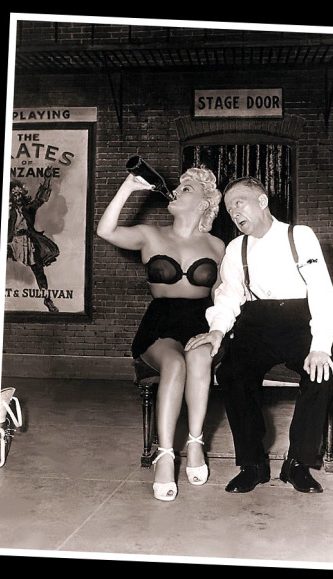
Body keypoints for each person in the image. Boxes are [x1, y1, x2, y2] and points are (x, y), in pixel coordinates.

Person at [185, 176, 333, 494]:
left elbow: (321, 289)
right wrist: (216, 331)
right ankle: (253, 464)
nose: (234, 212)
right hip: (256, 325)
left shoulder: (300, 236)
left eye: (239, 203)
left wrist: (321, 346)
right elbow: (228, 296)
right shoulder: (235, 248)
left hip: (300, 323)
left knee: (321, 375)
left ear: (263, 201)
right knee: (232, 373)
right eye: (229, 209)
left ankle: (297, 463)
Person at [97, 166, 224, 501]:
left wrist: (218, 332)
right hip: (160, 324)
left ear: (203, 204)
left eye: (187, 188)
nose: (177, 190)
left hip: (201, 322)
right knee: (176, 365)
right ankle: (165, 454)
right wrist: (129, 186)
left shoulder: (217, 245)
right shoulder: (149, 235)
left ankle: (195, 444)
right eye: (178, 185)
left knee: (198, 358)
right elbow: (105, 230)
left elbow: (224, 296)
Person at [7, 170, 60, 313]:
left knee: (39, 271)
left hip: (28, 242)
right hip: (10, 242)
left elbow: (40, 199)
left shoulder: (28, 208)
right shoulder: (8, 210)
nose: (17, 197)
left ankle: (47, 300)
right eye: (14, 194)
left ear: (23, 195)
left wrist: (47, 180)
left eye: (19, 194)